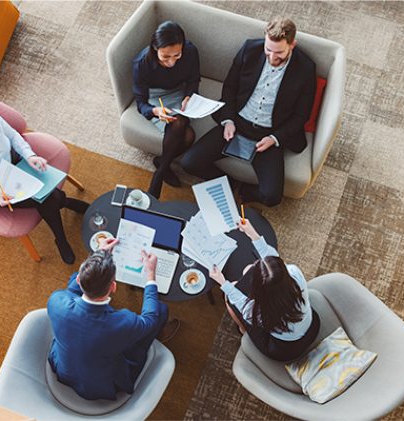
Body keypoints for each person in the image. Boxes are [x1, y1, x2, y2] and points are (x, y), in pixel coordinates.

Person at [181, 17, 316, 207]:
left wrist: (274, 138)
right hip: (237, 122)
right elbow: (229, 88)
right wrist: (228, 120)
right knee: (189, 163)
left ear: (292, 45)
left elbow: (301, 115)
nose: (271, 58)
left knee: (272, 197)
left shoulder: (306, 69)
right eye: (268, 50)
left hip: (269, 134)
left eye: (279, 53)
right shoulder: (249, 49)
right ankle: (227, 181)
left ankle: (245, 191)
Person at [0, 101, 89, 264]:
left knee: (46, 196)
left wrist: (30, 156)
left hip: (14, 163)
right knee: (46, 199)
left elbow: (14, 136)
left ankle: (64, 209)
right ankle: (61, 232)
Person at [47, 237, 180, 400]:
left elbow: (72, 289)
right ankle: (158, 336)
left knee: (70, 289)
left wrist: (99, 255)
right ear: (113, 287)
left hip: (64, 370)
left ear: (79, 280)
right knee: (160, 309)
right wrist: (151, 275)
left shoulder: (56, 301)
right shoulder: (122, 323)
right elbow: (150, 319)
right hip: (103, 386)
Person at [209, 220, 320, 362]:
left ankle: (243, 329)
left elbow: (238, 300)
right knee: (247, 270)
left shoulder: (257, 311)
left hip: (285, 349)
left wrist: (223, 282)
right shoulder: (295, 273)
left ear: (257, 289)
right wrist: (252, 233)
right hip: (313, 326)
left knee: (229, 299)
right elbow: (273, 259)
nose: (256, 263)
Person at [132, 20, 201, 199]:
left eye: (176, 56)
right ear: (155, 48)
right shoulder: (141, 63)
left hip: (179, 92)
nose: (171, 62)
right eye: (165, 57)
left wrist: (189, 96)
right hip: (156, 98)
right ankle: (162, 171)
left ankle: (161, 166)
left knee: (185, 130)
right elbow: (140, 102)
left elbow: (194, 79)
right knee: (186, 133)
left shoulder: (190, 51)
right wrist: (155, 111)